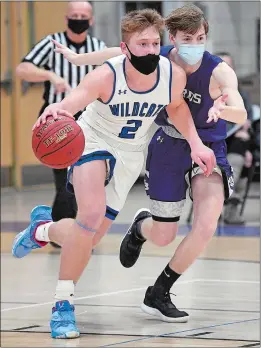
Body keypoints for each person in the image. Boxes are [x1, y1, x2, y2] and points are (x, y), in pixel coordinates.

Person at [12, 9, 215, 339]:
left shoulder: (171, 75)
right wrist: (58, 109)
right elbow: (75, 99)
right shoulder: (107, 76)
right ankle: (62, 305)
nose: (150, 50)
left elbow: (176, 108)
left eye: (154, 43)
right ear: (125, 48)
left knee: (86, 239)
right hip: (92, 139)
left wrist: (196, 144)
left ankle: (44, 230)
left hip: (131, 154)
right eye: (142, 44)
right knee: (89, 216)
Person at [52, 5, 247, 323]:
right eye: (188, 38)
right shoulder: (160, 56)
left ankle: (160, 291)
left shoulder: (218, 71)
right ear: (174, 38)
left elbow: (238, 108)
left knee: (206, 224)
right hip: (168, 144)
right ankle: (142, 227)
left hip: (208, 146)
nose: (195, 43)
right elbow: (117, 52)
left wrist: (225, 109)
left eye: (200, 37)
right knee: (162, 236)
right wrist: (75, 60)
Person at [16, 1, 106, 245]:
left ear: (91, 20)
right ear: (66, 19)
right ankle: (63, 235)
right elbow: (22, 69)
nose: (78, 19)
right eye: (74, 15)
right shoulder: (51, 43)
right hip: (57, 122)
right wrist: (49, 74)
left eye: (83, 15)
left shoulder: (98, 48)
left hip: (90, 121)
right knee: (66, 182)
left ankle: (62, 230)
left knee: (86, 181)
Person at [215, 52, 255, 224]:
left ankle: (224, 198)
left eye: (229, 66)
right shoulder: (205, 91)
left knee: (242, 142)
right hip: (212, 141)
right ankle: (226, 201)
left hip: (235, 141)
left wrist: (245, 128)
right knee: (240, 153)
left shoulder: (240, 94)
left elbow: (249, 120)